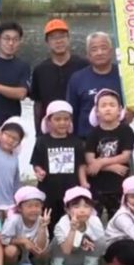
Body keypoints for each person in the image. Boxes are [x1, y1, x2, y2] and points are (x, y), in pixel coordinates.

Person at [31, 100, 88, 235]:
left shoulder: (76, 142)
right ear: (49, 121)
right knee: (49, 219)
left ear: (70, 121)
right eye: (57, 119)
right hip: (48, 189)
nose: (62, 122)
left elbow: (81, 165)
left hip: (70, 189)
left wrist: (84, 183)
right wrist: (38, 171)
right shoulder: (42, 141)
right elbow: (36, 162)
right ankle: (48, 245)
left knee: (70, 219)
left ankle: (68, 245)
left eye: (66, 119)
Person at [30, 19, 89, 136]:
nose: (59, 41)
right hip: (50, 132)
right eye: (53, 38)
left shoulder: (84, 65)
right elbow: (38, 103)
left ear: (69, 39)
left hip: (78, 131)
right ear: (47, 42)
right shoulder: (40, 70)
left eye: (62, 36)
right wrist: (38, 132)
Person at [85, 89, 134, 221]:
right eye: (103, 105)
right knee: (93, 218)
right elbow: (90, 160)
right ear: (97, 111)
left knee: (118, 218)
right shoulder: (93, 133)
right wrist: (111, 167)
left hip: (118, 184)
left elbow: (125, 156)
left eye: (112, 105)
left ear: (119, 110)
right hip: (97, 184)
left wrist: (101, 162)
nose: (108, 109)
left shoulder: (126, 130)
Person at [67, 32, 127, 139]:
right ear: (88, 54)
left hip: (119, 139)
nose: (99, 53)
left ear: (111, 51)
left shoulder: (124, 75)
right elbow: (71, 113)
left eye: (104, 48)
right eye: (94, 49)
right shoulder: (77, 78)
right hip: (86, 140)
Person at [51, 186, 106, 265]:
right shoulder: (62, 224)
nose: (82, 210)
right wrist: (73, 230)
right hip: (66, 259)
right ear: (67, 209)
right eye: (76, 207)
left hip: (83, 257)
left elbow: (100, 243)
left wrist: (85, 239)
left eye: (86, 206)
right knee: (56, 240)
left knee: (101, 240)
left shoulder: (95, 220)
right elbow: (66, 250)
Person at [0, 187, 50, 265]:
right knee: (10, 251)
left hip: (32, 251)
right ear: (19, 208)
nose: (34, 209)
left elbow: (41, 246)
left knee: (45, 251)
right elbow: (3, 239)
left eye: (37, 206)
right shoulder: (14, 220)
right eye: (29, 206)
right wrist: (23, 241)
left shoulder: (41, 220)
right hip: (17, 250)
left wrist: (43, 227)